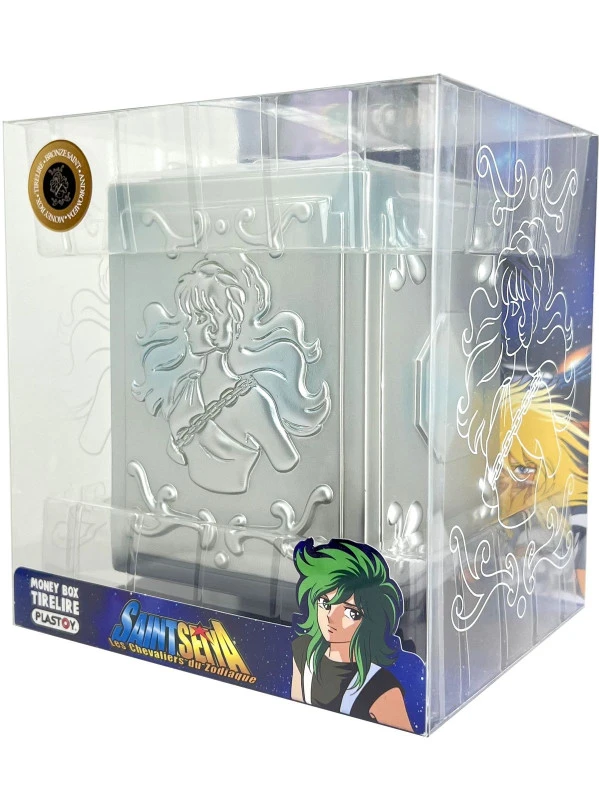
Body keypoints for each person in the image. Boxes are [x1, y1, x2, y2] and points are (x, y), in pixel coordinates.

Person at [132, 254, 330, 494]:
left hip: (255, 511)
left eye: (196, 318)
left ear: (214, 325)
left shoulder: (253, 402)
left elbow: (286, 461)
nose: (187, 327)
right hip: (183, 504)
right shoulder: (185, 389)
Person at [290, 538, 413, 731]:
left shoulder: (381, 687)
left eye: (350, 612)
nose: (331, 617)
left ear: (371, 621)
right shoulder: (303, 651)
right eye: (325, 602)